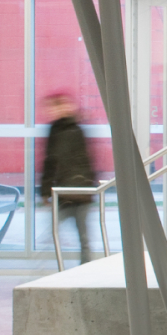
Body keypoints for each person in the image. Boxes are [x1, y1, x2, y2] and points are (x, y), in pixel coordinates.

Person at [39, 92, 99, 263]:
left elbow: (79, 160)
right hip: (69, 191)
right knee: (74, 235)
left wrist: (46, 190)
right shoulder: (58, 130)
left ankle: (83, 268)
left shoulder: (74, 130)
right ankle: (50, 267)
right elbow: (50, 162)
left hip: (75, 192)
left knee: (81, 236)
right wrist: (46, 190)